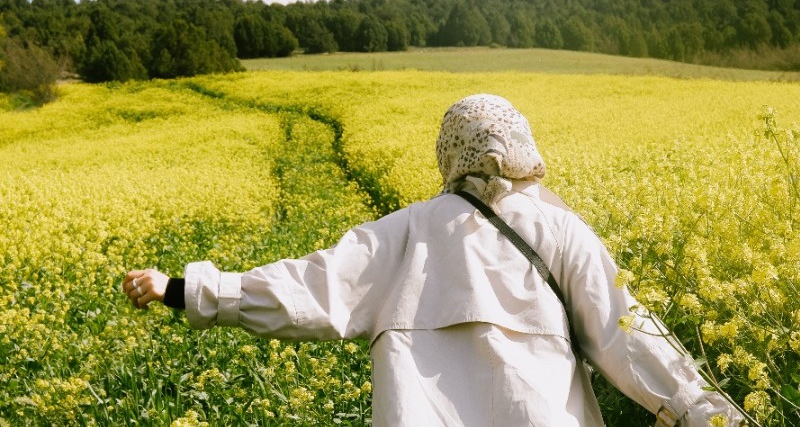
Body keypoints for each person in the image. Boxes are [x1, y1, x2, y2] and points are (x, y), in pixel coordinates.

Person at [124, 94, 745, 426]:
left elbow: (305, 287)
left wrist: (183, 288)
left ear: (449, 152)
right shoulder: (560, 230)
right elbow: (630, 339)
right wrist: (714, 418)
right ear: (522, 146)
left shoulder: (404, 233)